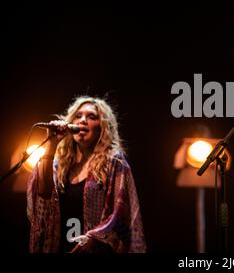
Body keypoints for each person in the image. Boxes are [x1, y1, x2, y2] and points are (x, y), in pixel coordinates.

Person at [27, 96, 146, 253]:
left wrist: (93, 240)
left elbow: (121, 214)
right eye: (78, 116)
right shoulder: (58, 163)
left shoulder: (114, 162)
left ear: (103, 126)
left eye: (91, 117)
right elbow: (42, 195)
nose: (82, 120)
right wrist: (51, 144)